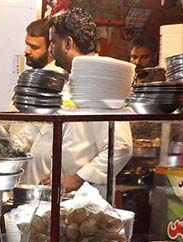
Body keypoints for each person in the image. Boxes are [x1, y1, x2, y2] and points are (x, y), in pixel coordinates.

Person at [23, 8, 132, 195]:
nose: (50, 49)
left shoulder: (101, 81)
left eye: (53, 42)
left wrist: (77, 179)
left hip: (78, 202)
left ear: (67, 43)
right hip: (46, 198)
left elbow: (121, 146)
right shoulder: (70, 80)